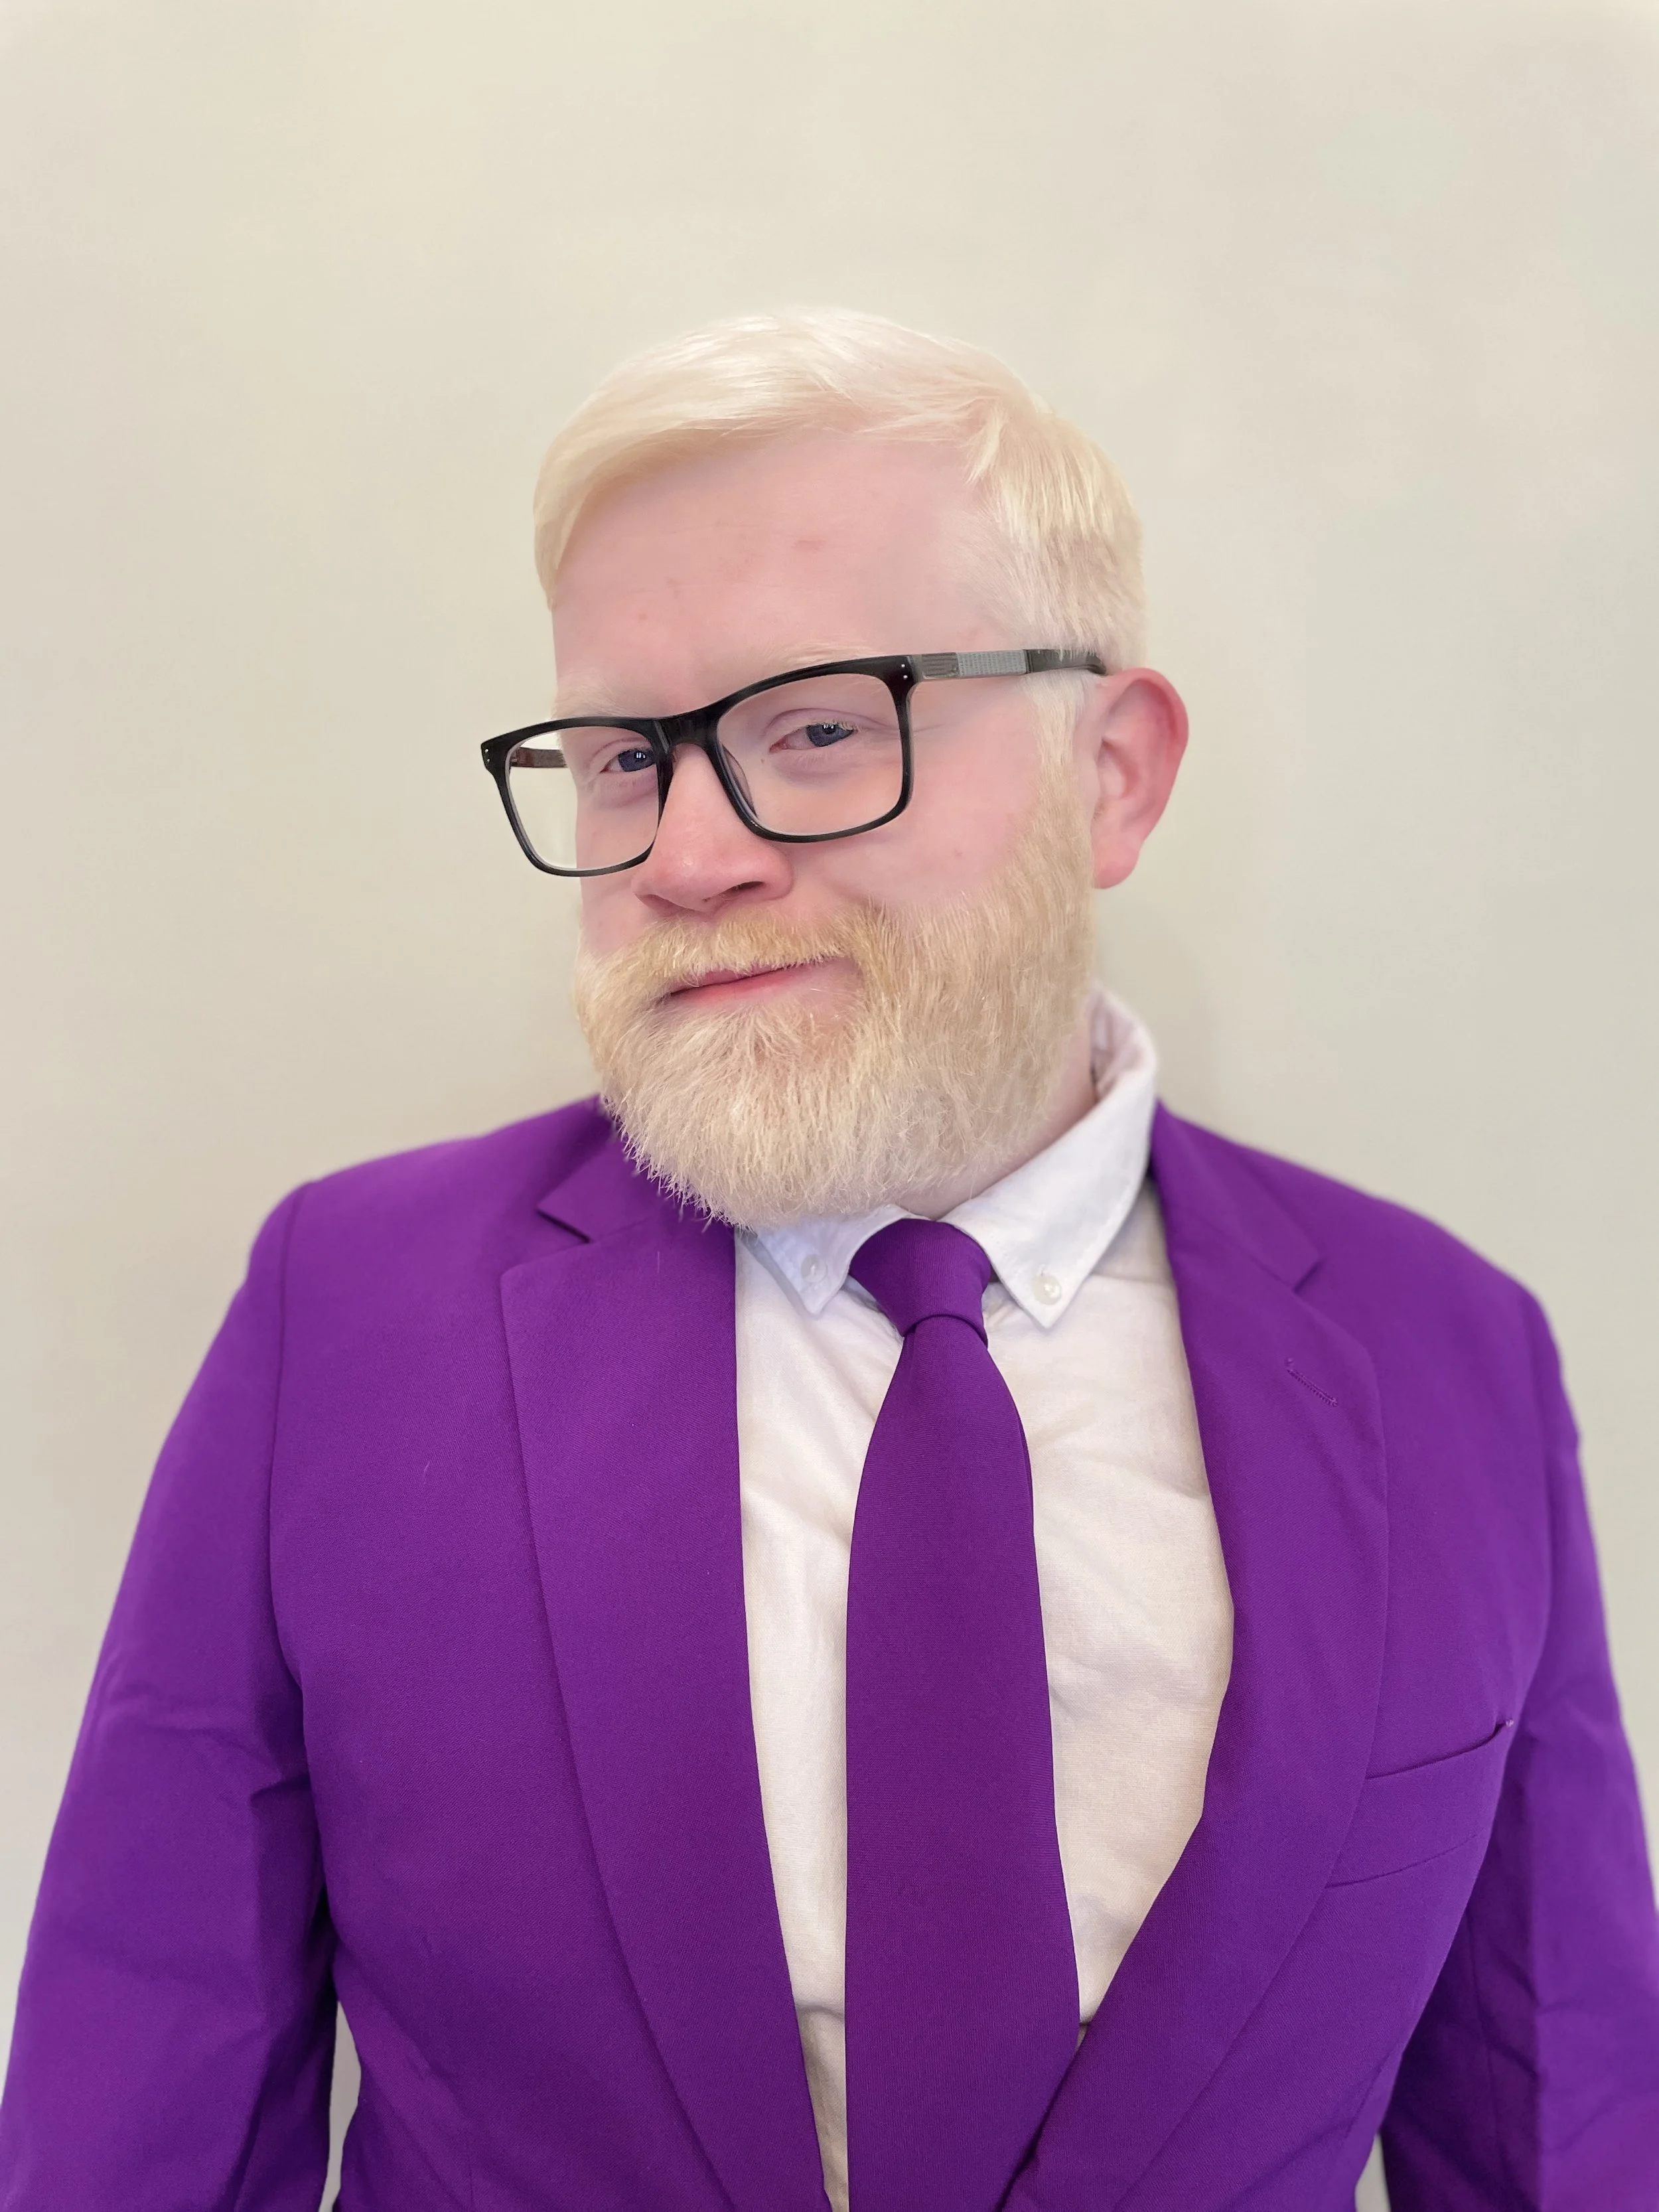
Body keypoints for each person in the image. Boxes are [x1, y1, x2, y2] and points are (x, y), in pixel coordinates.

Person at [3, 311, 1657, 2212]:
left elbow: (1554, 2108)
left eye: (814, 730)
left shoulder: (1444, 1351)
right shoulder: (354, 1310)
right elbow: (145, 2097)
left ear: (1110, 773)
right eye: (623, 757)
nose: (686, 854)